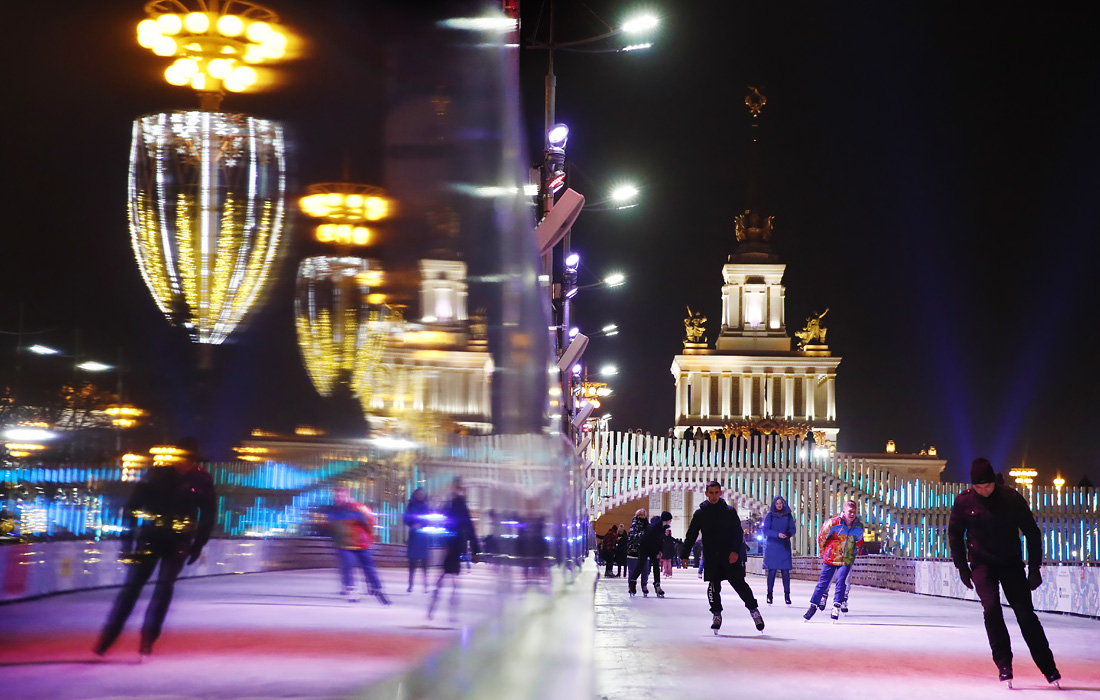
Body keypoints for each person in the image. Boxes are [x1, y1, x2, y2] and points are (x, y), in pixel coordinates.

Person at [93, 439, 217, 658]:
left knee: (164, 588)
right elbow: (132, 507)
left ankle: (148, 639)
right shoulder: (158, 475)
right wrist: (128, 542)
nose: (184, 463)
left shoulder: (201, 480)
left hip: (178, 541)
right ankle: (108, 638)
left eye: (188, 460)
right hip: (151, 538)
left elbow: (208, 515)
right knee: (133, 588)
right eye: (182, 459)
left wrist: (198, 544)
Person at [948, 458, 1061, 687]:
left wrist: (1034, 568)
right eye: (979, 487)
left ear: (995, 482)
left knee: (1025, 615)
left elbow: (1032, 532)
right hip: (982, 565)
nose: (984, 491)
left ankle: (1048, 667)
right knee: (991, 610)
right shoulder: (964, 501)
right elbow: (955, 535)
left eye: (988, 486)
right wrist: (962, 567)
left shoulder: (1011, 498)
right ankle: (1004, 664)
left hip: (1010, 563)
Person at [682, 481, 765, 633]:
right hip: (712, 556)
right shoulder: (701, 513)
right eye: (711, 493)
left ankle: (754, 610)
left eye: (716, 493)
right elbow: (691, 534)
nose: (714, 496)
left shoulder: (729, 511)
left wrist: (735, 551)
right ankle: (716, 614)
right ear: (706, 493)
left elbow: (737, 533)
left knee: (739, 584)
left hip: (729, 555)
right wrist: (684, 554)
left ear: (720, 493)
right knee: (713, 586)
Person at [329, 486, 392, 605]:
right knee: (348, 565)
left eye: (341, 495)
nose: (338, 498)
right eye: (337, 496)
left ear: (347, 496)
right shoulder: (334, 511)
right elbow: (332, 527)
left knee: (369, 567)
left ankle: (377, 588)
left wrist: (369, 537)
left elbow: (370, 521)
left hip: (361, 544)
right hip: (344, 545)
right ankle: (351, 588)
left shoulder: (358, 508)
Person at [428, 478, 479, 620]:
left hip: (454, 545)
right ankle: (442, 609)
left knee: (448, 577)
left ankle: (439, 608)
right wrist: (475, 549)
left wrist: (475, 550)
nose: (456, 489)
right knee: (449, 577)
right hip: (452, 544)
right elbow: (467, 527)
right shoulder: (453, 503)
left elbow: (468, 527)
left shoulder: (457, 504)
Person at [804, 500, 863, 622]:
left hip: (846, 558)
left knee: (841, 581)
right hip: (831, 557)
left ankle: (836, 605)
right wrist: (822, 551)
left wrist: (852, 550)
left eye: (854, 512)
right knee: (823, 583)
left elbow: (859, 540)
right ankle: (813, 605)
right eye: (850, 512)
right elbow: (822, 536)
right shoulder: (833, 523)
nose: (852, 514)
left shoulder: (858, 527)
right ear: (844, 511)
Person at [628, 510, 671, 598]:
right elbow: (649, 539)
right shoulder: (654, 527)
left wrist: (660, 551)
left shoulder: (662, 527)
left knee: (656, 566)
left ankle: (657, 584)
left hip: (653, 548)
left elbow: (660, 540)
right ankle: (632, 581)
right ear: (667, 520)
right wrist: (656, 551)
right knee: (641, 565)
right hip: (645, 547)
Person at [762, 495, 796, 605]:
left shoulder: (788, 515)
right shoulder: (770, 515)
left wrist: (788, 534)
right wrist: (777, 534)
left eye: (780, 503)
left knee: (785, 572)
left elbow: (792, 529)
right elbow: (765, 530)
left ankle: (787, 595)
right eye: (777, 503)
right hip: (772, 547)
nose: (779, 505)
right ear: (774, 505)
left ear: (783, 504)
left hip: (784, 546)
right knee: (771, 571)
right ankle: (769, 595)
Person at [404, 487, 431, 593]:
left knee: (424, 563)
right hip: (414, 536)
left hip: (423, 537)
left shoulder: (425, 506)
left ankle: (425, 585)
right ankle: (410, 585)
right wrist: (412, 524)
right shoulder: (411, 505)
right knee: (412, 562)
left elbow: (428, 519)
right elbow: (406, 518)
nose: (420, 496)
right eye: (419, 494)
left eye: (422, 494)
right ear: (415, 495)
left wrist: (421, 524)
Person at [624, 509, 649, 588]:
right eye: (640, 515)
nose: (642, 516)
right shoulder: (634, 525)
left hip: (644, 551)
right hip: (633, 551)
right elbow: (632, 536)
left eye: (644, 515)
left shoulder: (647, 525)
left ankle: (644, 585)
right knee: (632, 570)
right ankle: (632, 586)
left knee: (645, 571)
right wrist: (642, 535)